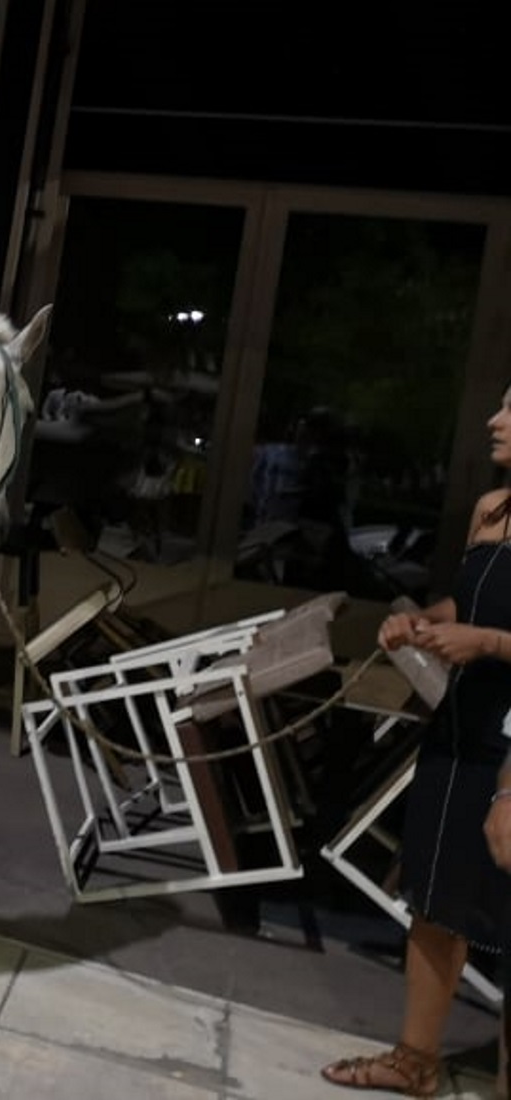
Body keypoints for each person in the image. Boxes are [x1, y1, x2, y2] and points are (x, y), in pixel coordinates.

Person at [323, 382, 511, 1097]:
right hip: (459, 733)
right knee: (434, 901)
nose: (492, 421)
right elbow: (465, 603)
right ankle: (414, 1061)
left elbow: (487, 627)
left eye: (508, 409)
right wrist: (422, 624)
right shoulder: (491, 510)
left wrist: (487, 642)